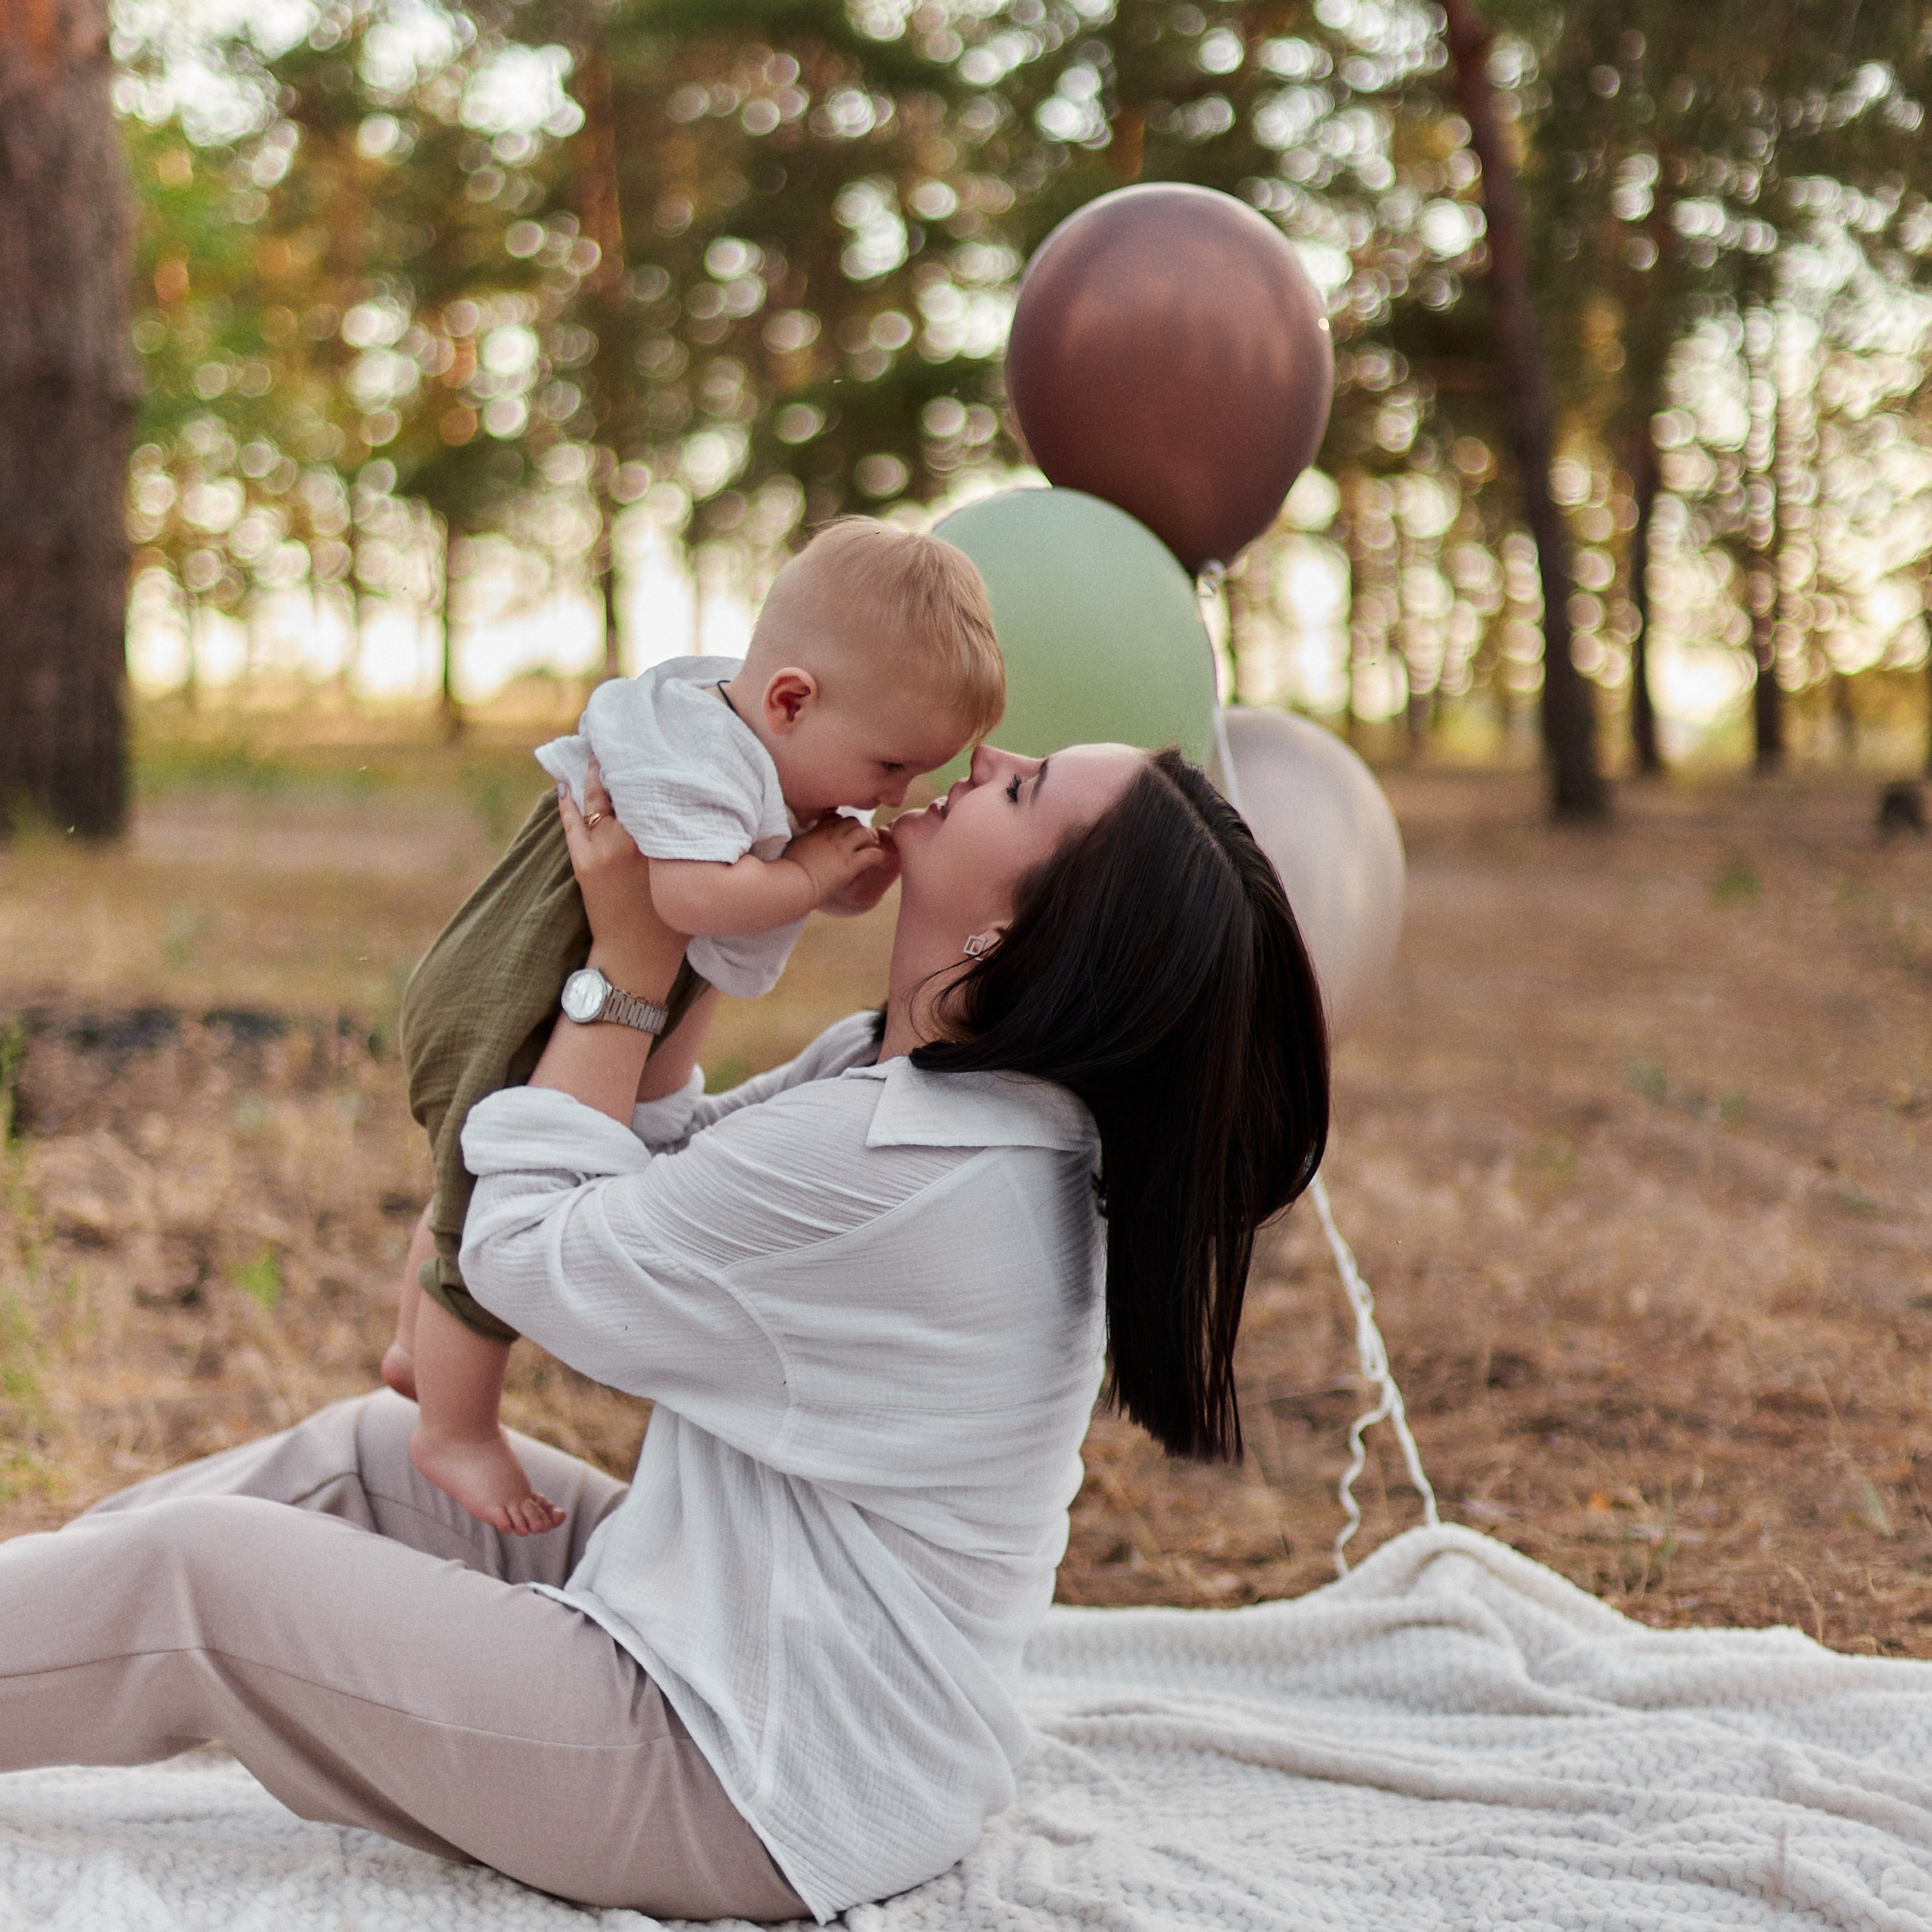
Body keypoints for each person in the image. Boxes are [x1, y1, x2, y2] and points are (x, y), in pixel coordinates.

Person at [0, 740, 1329, 1922]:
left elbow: (524, 1251)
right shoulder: (920, 1092)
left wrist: (626, 967)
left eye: (1025, 790)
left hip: (740, 1780)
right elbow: (660, 1147)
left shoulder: (909, 1168)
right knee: (372, 1455)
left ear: (1026, 934)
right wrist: (722, 915)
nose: (983, 759)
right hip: (734, 1646)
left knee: (201, 1576)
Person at [386, 518, 1004, 1537]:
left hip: (557, 999)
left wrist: (843, 883)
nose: (897, 797)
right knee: (478, 1222)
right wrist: (809, 873)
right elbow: (690, 900)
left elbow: (771, 885)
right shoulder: (697, 754)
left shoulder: (772, 746)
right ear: (791, 699)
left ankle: (417, 1344)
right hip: (511, 994)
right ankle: (453, 1428)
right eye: (890, 766)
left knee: (465, 1173)